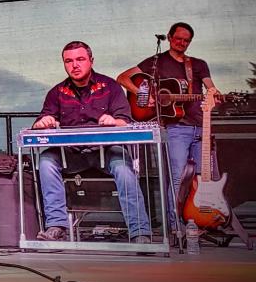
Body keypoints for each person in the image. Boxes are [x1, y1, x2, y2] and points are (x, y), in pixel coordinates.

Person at [32, 41, 152, 243]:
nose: (74, 65)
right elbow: (40, 122)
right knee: (46, 160)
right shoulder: (57, 92)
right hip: (72, 155)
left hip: (107, 152)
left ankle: (140, 232)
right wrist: (43, 122)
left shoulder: (110, 87)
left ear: (91, 61)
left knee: (124, 169)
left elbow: (126, 121)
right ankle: (56, 226)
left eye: (80, 59)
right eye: (69, 61)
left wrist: (114, 122)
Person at [116, 22, 221, 207]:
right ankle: (175, 222)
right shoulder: (156, 62)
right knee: (177, 179)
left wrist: (215, 94)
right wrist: (142, 94)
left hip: (201, 127)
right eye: (178, 38)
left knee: (205, 179)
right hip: (176, 128)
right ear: (170, 37)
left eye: (186, 41)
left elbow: (211, 87)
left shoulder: (198, 64)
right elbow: (122, 78)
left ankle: (202, 217)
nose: (182, 43)